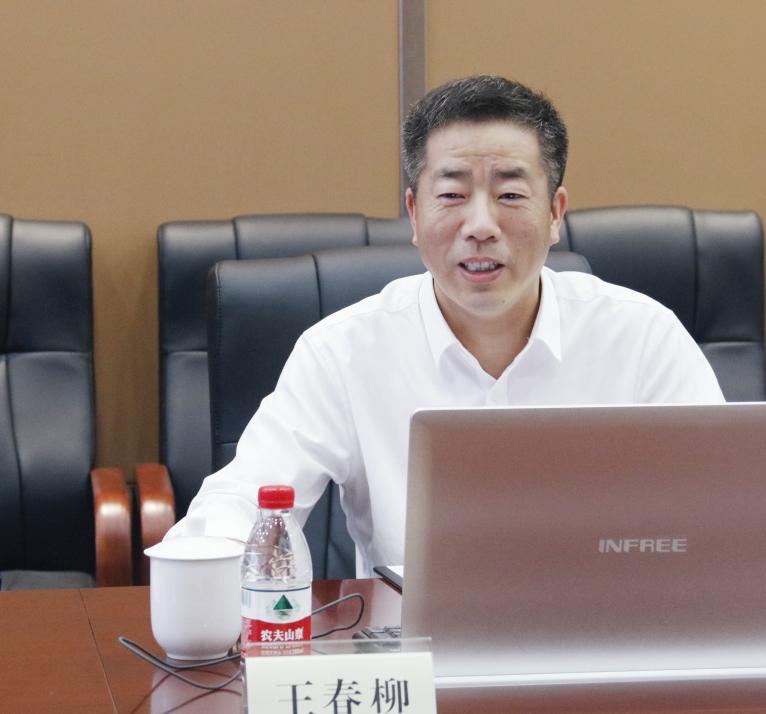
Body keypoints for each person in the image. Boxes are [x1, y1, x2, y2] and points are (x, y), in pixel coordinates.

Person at [167, 75, 724, 576]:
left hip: (608, 638)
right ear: (414, 213)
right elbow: (242, 503)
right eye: (452, 195)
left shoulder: (643, 338)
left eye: (510, 195)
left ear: (555, 214)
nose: (480, 225)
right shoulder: (342, 351)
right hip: (410, 647)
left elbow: (725, 510)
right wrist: (203, 577)